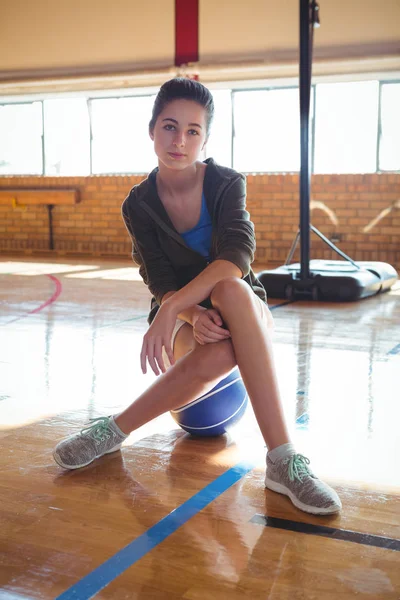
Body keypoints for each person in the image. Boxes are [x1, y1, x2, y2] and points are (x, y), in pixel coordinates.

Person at [53, 78, 341, 516]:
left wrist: (172, 307)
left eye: (192, 131)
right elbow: (158, 275)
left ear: (205, 139)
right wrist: (186, 313)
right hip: (186, 315)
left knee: (230, 288)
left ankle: (283, 459)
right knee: (221, 353)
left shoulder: (226, 184)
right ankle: (110, 430)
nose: (179, 140)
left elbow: (237, 256)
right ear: (152, 129)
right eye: (170, 127)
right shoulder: (139, 204)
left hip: (241, 304)